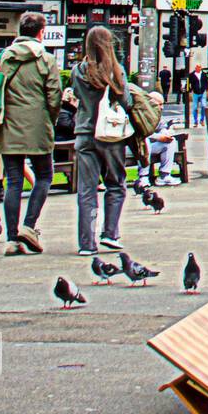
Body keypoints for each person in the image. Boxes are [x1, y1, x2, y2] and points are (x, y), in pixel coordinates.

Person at [0, 12, 62, 256]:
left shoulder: (3, 58)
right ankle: (29, 225)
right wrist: (49, 120)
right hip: (38, 125)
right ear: (41, 32)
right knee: (44, 175)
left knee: (13, 181)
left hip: (8, 125)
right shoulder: (46, 59)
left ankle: (12, 239)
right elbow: (54, 96)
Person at [71, 25, 132, 255]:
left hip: (85, 133)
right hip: (110, 135)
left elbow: (76, 94)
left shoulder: (78, 71)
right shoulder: (116, 71)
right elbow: (126, 101)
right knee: (116, 183)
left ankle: (86, 243)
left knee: (86, 190)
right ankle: (110, 233)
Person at [138, 91, 181, 187]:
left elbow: (162, 127)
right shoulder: (139, 113)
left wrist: (166, 133)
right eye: (160, 104)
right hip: (135, 147)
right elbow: (141, 133)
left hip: (151, 146)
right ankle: (143, 177)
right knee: (145, 142)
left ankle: (164, 175)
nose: (162, 107)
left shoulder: (157, 114)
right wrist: (158, 137)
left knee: (171, 141)